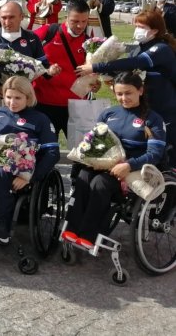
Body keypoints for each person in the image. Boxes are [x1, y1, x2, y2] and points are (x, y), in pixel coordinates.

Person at [62, 72, 167, 248]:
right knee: (83, 177)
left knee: (100, 183)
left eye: (128, 93)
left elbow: (155, 153)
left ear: (140, 91)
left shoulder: (153, 119)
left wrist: (129, 165)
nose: (123, 98)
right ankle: (72, 228)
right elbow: (94, 141)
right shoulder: (108, 114)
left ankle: (89, 234)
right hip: (104, 165)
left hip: (131, 170)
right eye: (119, 94)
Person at [76, 10, 176, 165]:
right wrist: (107, 75)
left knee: (166, 153)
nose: (137, 29)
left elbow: (135, 63)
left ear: (155, 30)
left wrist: (96, 66)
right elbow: (127, 73)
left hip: (164, 110)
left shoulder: (161, 49)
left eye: (141, 26)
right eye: (136, 25)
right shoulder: (139, 47)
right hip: (144, 109)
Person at [0, 76, 60, 245]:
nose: (12, 102)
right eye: (8, 97)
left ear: (28, 97)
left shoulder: (40, 119)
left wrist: (29, 177)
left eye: (18, 98)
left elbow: (52, 153)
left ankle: (2, 225)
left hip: (22, 167)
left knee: (3, 173)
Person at [0, 0, 60, 133]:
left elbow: (43, 66)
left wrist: (50, 70)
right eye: (3, 18)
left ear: (22, 17)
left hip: (24, 100)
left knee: (24, 135)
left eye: (11, 17)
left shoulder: (32, 38)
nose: (7, 22)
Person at [33, 0, 91, 139]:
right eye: (75, 21)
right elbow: (26, 56)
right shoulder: (49, 31)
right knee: (46, 151)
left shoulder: (89, 41)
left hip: (75, 106)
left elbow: (90, 70)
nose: (80, 25)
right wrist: (46, 69)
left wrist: (93, 82)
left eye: (84, 21)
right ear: (66, 17)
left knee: (80, 153)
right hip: (44, 103)